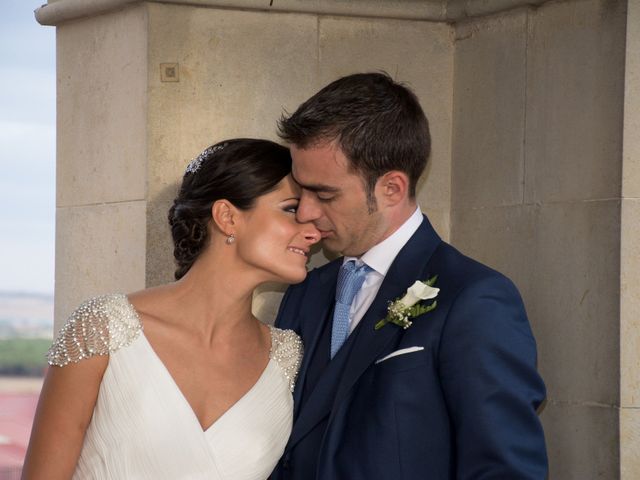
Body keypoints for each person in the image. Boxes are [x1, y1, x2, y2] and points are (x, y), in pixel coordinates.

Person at [270, 72, 548, 479]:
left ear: (392, 189)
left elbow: (505, 469)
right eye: (302, 191)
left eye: (325, 194)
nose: (306, 211)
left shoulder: (474, 300)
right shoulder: (306, 290)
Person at [22, 139, 320, 480]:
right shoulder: (104, 328)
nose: (313, 231)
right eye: (292, 209)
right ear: (227, 217)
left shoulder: (285, 356)